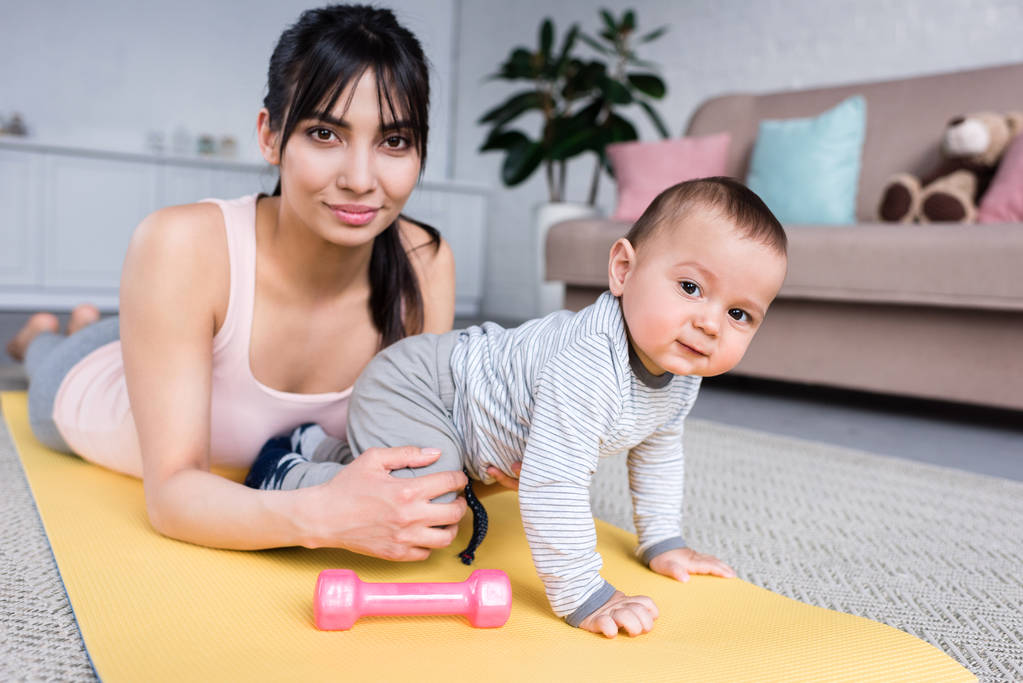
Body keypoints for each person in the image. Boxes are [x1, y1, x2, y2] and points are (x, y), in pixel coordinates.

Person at [3, 4, 526, 558]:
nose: (360, 179)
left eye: (393, 141)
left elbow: (415, 454)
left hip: (176, 336)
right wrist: (321, 516)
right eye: (325, 133)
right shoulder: (179, 245)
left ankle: (88, 322)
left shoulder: (425, 261)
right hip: (88, 384)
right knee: (49, 359)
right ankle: (38, 336)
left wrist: (487, 465)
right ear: (270, 136)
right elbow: (173, 495)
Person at [246, 176, 790, 637]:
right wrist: (584, 594)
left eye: (740, 315)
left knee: (424, 491)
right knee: (430, 516)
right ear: (623, 270)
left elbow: (658, 449)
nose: (711, 323)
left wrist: (662, 541)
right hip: (418, 387)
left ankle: (317, 445)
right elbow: (552, 483)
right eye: (691, 287)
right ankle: (287, 473)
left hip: (449, 412)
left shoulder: (679, 371)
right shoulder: (588, 364)